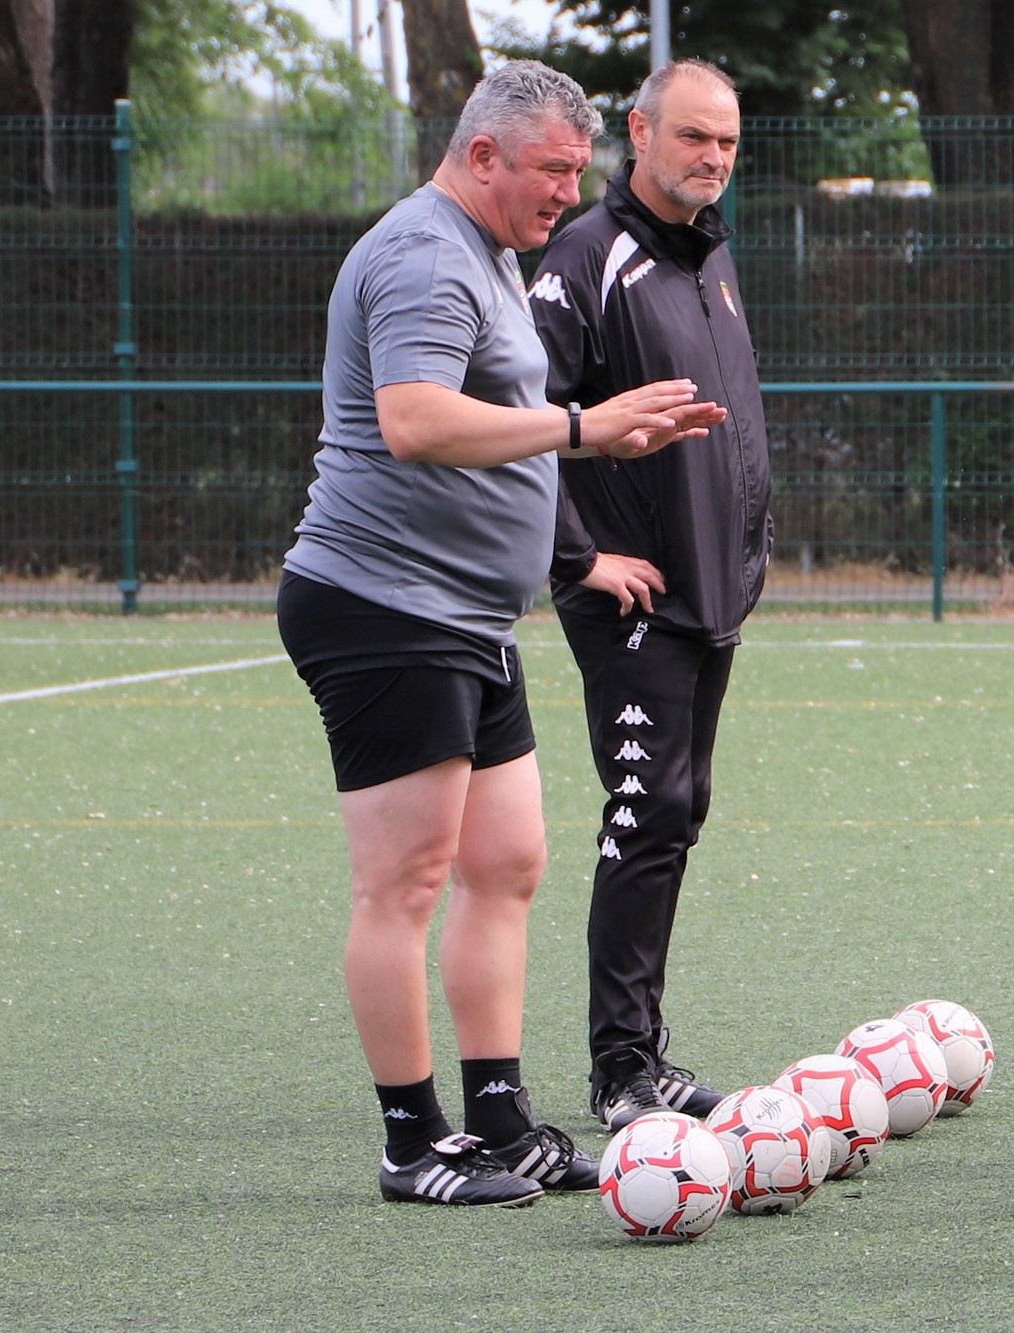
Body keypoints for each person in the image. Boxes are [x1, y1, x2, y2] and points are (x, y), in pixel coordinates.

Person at [277, 60, 720, 1207]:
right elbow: (415, 419)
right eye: (552, 171)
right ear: (482, 155)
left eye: (578, 171)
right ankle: (413, 1142)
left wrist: (593, 455)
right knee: (405, 883)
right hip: (385, 608)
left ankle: (500, 1118)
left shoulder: (488, 253)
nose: (570, 193)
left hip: (466, 615)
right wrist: (581, 426)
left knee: (507, 863)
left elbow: (496, 421)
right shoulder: (427, 254)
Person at [529, 58, 771, 1132]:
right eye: (692, 137)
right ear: (638, 132)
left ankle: (646, 1054)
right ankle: (620, 1070)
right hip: (633, 598)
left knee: (676, 812)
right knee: (643, 813)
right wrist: (577, 560)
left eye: (726, 142)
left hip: (710, 592)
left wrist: (750, 550)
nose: (712, 158)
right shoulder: (586, 256)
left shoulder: (708, 255)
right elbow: (515, 421)